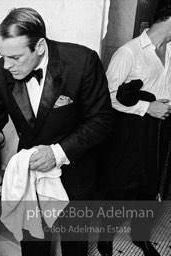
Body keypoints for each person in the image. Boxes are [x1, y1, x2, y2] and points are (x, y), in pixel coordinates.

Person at [0, 7, 114, 256]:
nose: (6, 66)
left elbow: (101, 120)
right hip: (28, 174)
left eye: (15, 57)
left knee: (74, 244)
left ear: (39, 46)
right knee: (32, 244)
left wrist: (57, 153)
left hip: (75, 172)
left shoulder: (82, 62)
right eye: (2, 55)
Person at [98, 1, 171, 256]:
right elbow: (108, 95)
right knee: (121, 185)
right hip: (131, 128)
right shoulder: (128, 52)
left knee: (148, 186)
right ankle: (104, 239)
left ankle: (140, 237)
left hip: (160, 129)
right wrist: (148, 108)